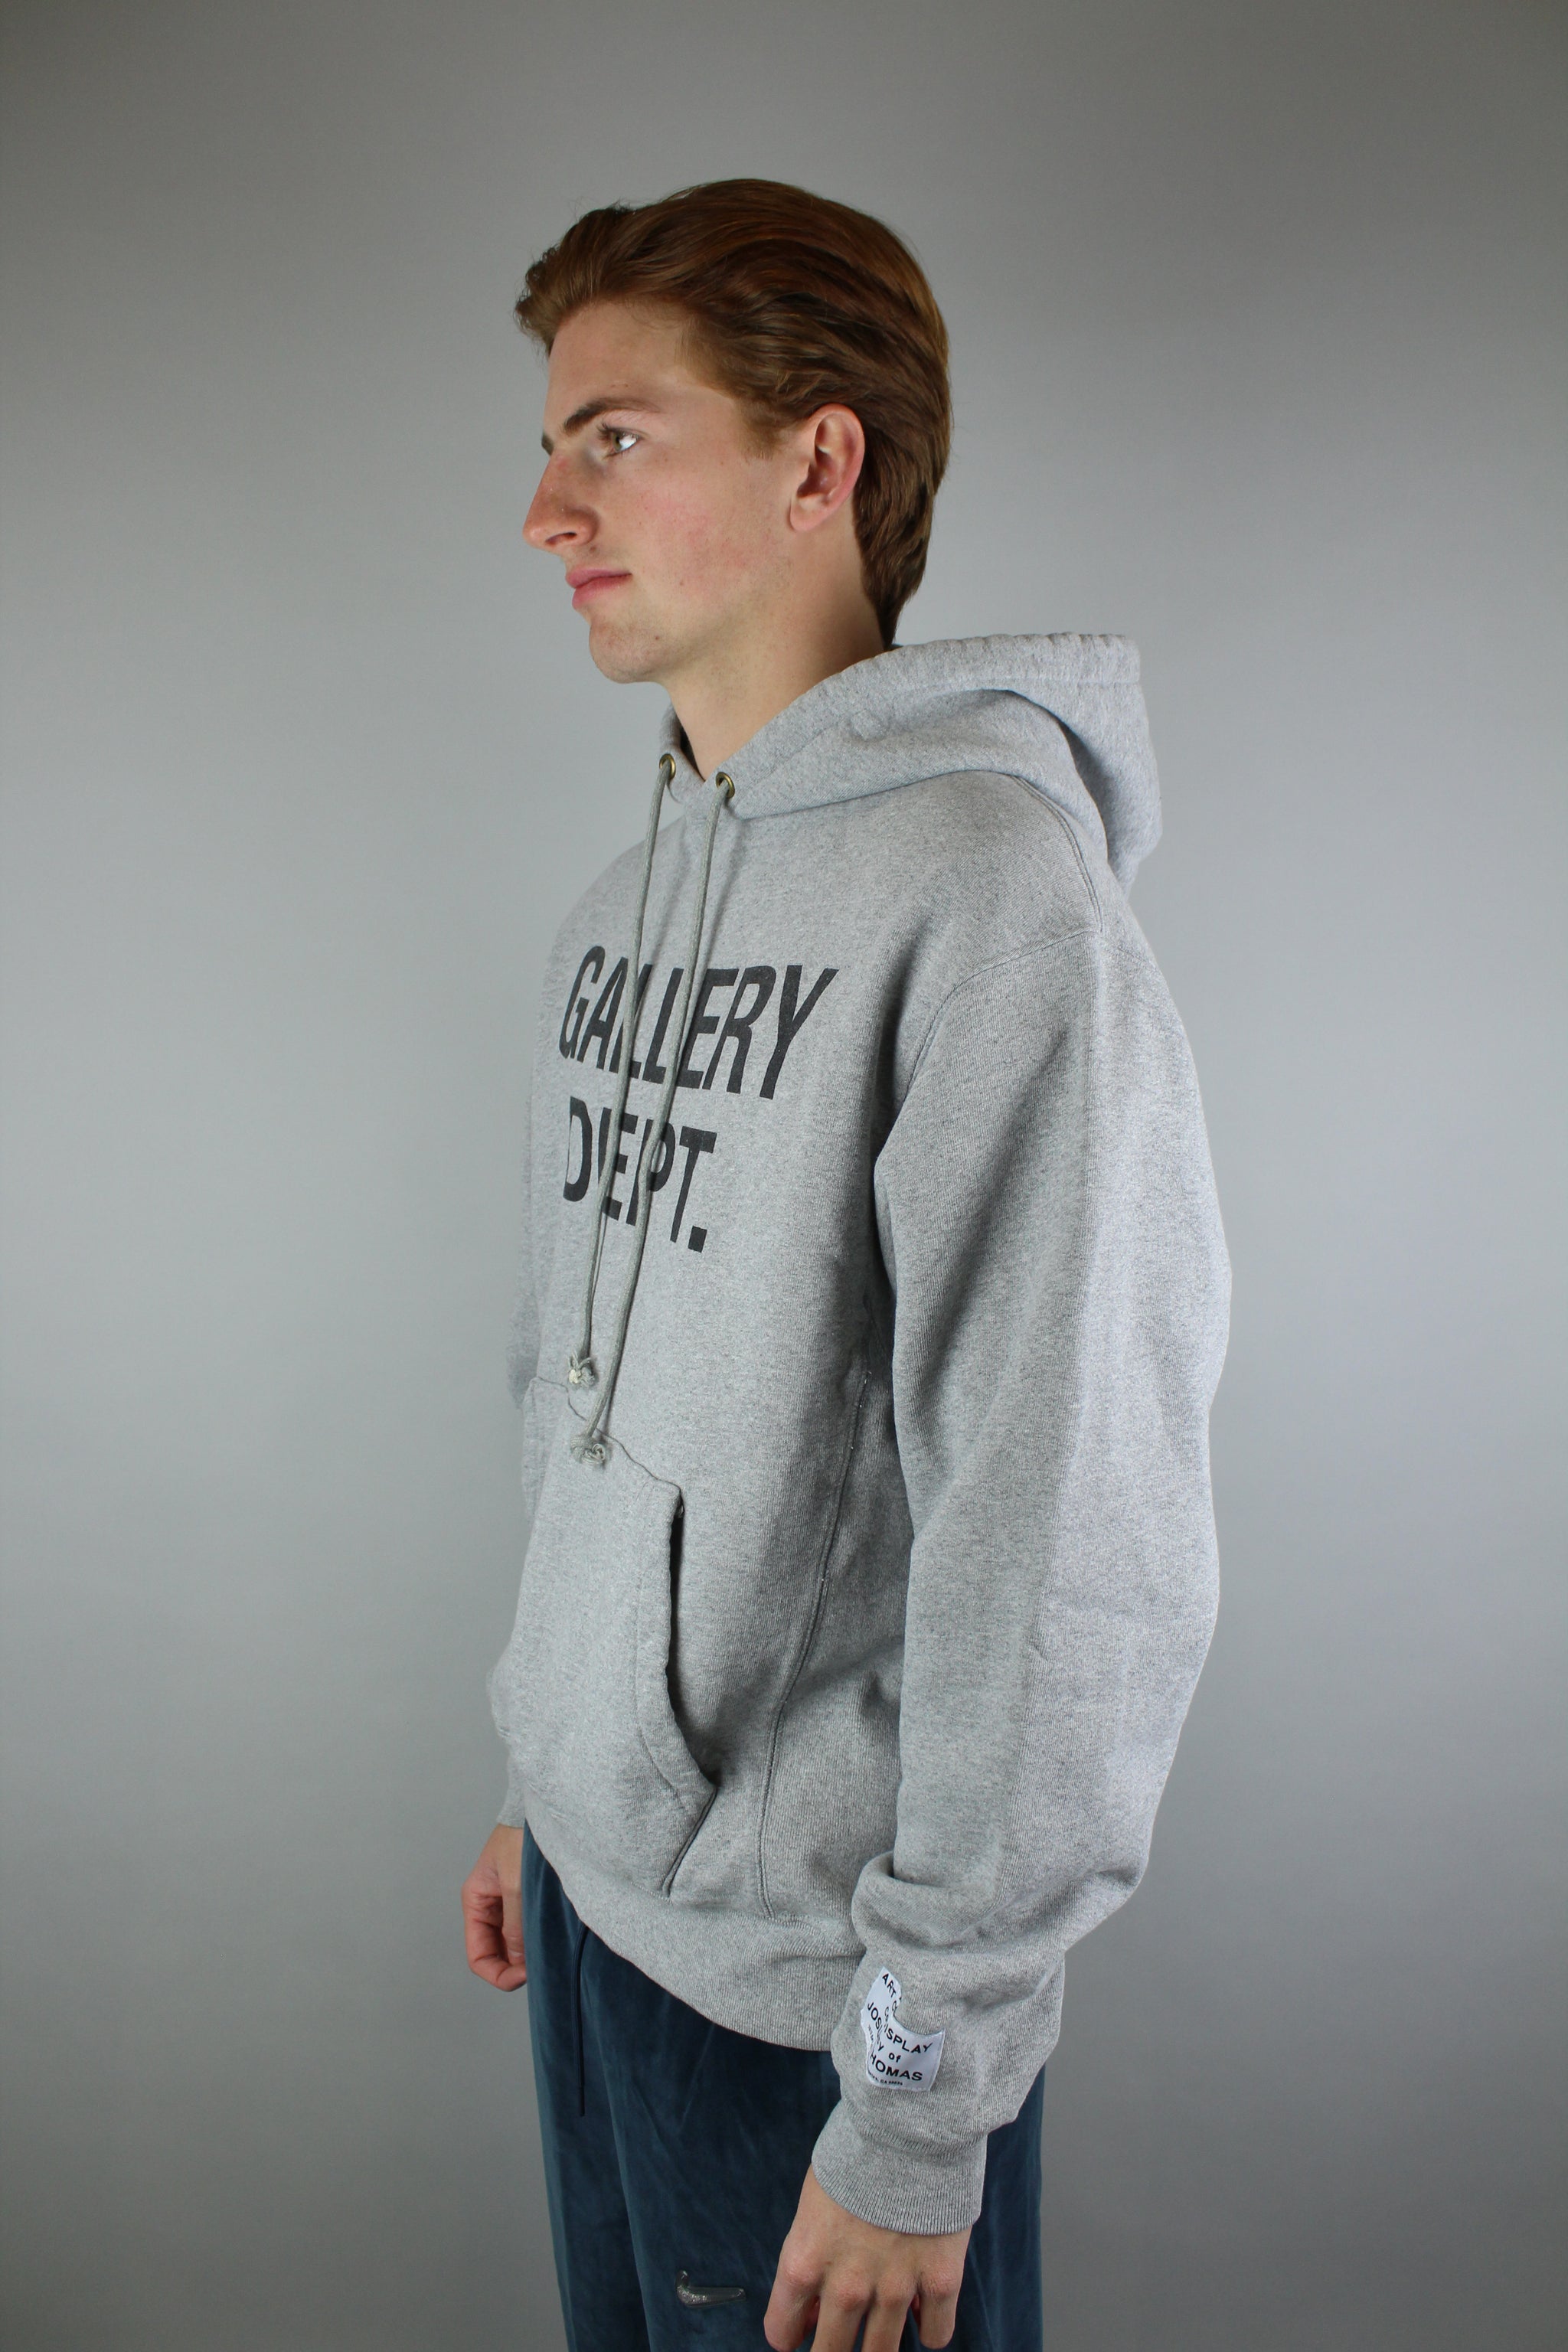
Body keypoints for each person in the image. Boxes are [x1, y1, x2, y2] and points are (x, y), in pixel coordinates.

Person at [460, 178, 1230, 2352]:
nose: (545, 513)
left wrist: (919, 2102)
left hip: (822, 1997)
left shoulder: (994, 895)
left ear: (821, 462)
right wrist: (550, 1791)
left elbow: (1064, 1525)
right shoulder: (618, 918)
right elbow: (583, 1411)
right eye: (548, 447)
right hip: (603, 1925)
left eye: (615, 438)